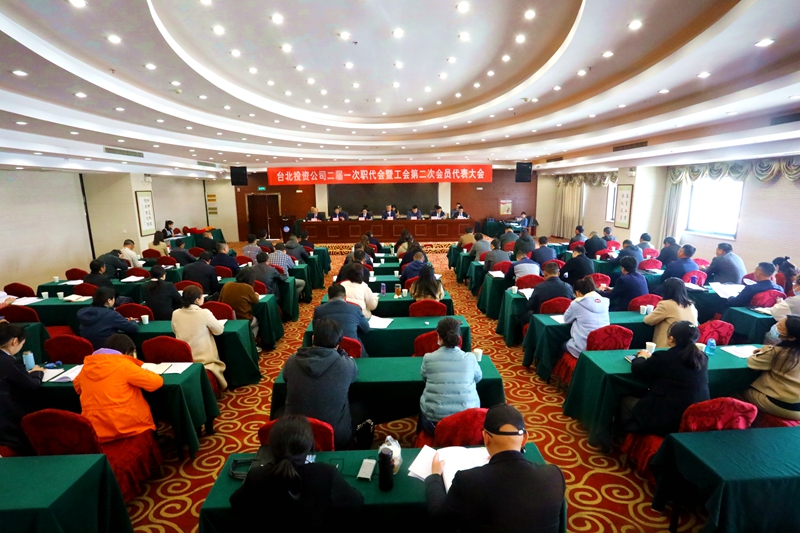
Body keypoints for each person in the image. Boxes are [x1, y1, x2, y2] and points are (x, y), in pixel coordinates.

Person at [426, 404, 565, 533]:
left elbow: (438, 517)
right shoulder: (555, 476)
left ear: (486, 438)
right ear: (525, 439)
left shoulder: (468, 481)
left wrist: (435, 476)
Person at [229, 415, 363, 530]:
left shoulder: (256, 476)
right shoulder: (327, 474)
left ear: (271, 449)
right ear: (310, 447)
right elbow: (356, 502)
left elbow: (236, 503)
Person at [283, 318, 360, 449]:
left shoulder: (291, 361)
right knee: (362, 408)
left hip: (296, 434)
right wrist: (342, 353)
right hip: (335, 436)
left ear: (313, 339)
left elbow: (286, 379)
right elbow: (354, 376)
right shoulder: (346, 365)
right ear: (338, 345)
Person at [623, 321, 709, 435]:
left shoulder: (663, 357)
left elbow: (638, 369)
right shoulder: (703, 358)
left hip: (668, 419)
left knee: (626, 401)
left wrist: (642, 357)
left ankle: (626, 439)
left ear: (671, 338)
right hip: (697, 417)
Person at [73, 334, 163, 442]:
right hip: (128, 426)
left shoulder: (86, 368)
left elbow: (77, 387)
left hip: (97, 428)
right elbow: (155, 383)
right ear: (127, 352)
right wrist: (138, 364)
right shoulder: (125, 365)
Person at [418, 317, 482, 435]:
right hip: (467, 423)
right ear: (459, 337)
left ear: (439, 337)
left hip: (435, 424)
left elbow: (424, 378)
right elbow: (478, 378)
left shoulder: (428, 358)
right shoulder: (470, 357)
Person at [738, 315, 800, 420]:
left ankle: (742, 424)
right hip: (797, 407)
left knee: (730, 392)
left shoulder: (776, 352)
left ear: (791, 338)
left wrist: (765, 351)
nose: (775, 327)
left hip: (778, 404)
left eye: (780, 327)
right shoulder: (789, 352)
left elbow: (752, 363)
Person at [0, 323, 44, 455]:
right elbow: (31, 385)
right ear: (14, 341)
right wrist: (37, 373)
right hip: (9, 420)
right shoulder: (10, 362)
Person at [172, 285, 227, 390]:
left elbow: (175, 330)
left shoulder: (175, 313)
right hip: (204, 358)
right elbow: (219, 331)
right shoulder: (204, 313)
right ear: (197, 300)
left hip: (184, 357)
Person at [314, 285, 370, 356]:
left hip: (327, 352)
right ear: (345, 297)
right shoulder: (355, 309)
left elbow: (316, 331)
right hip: (353, 352)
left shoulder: (318, 310)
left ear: (328, 298)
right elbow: (366, 329)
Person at [644, 278, 699, 348]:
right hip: (688, 347)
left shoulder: (666, 304)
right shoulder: (691, 305)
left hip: (669, 346)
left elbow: (648, 320)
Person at [563, 278, 610, 357]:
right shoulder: (605, 302)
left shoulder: (577, 303)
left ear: (577, 293)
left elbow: (566, 319)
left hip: (584, 347)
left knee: (562, 345)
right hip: (603, 346)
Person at [219, 267, 261, 340]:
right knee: (258, 320)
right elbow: (255, 301)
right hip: (244, 318)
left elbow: (220, 301)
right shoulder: (247, 288)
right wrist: (256, 294)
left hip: (228, 319)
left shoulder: (227, 285)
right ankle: (250, 341)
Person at [765, 278, 800, 344]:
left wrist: (779, 303)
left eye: (794, 283)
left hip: (792, 336)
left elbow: (775, 311)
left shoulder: (794, 301)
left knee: (769, 334)